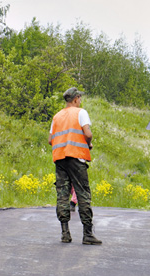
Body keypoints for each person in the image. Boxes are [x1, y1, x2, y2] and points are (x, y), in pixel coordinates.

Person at [48, 87, 102, 245]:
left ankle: (65, 233)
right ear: (76, 99)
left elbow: (51, 140)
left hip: (60, 159)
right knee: (83, 194)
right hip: (77, 158)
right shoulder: (80, 112)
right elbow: (88, 133)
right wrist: (89, 144)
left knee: (62, 195)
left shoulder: (56, 116)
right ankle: (87, 234)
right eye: (79, 98)